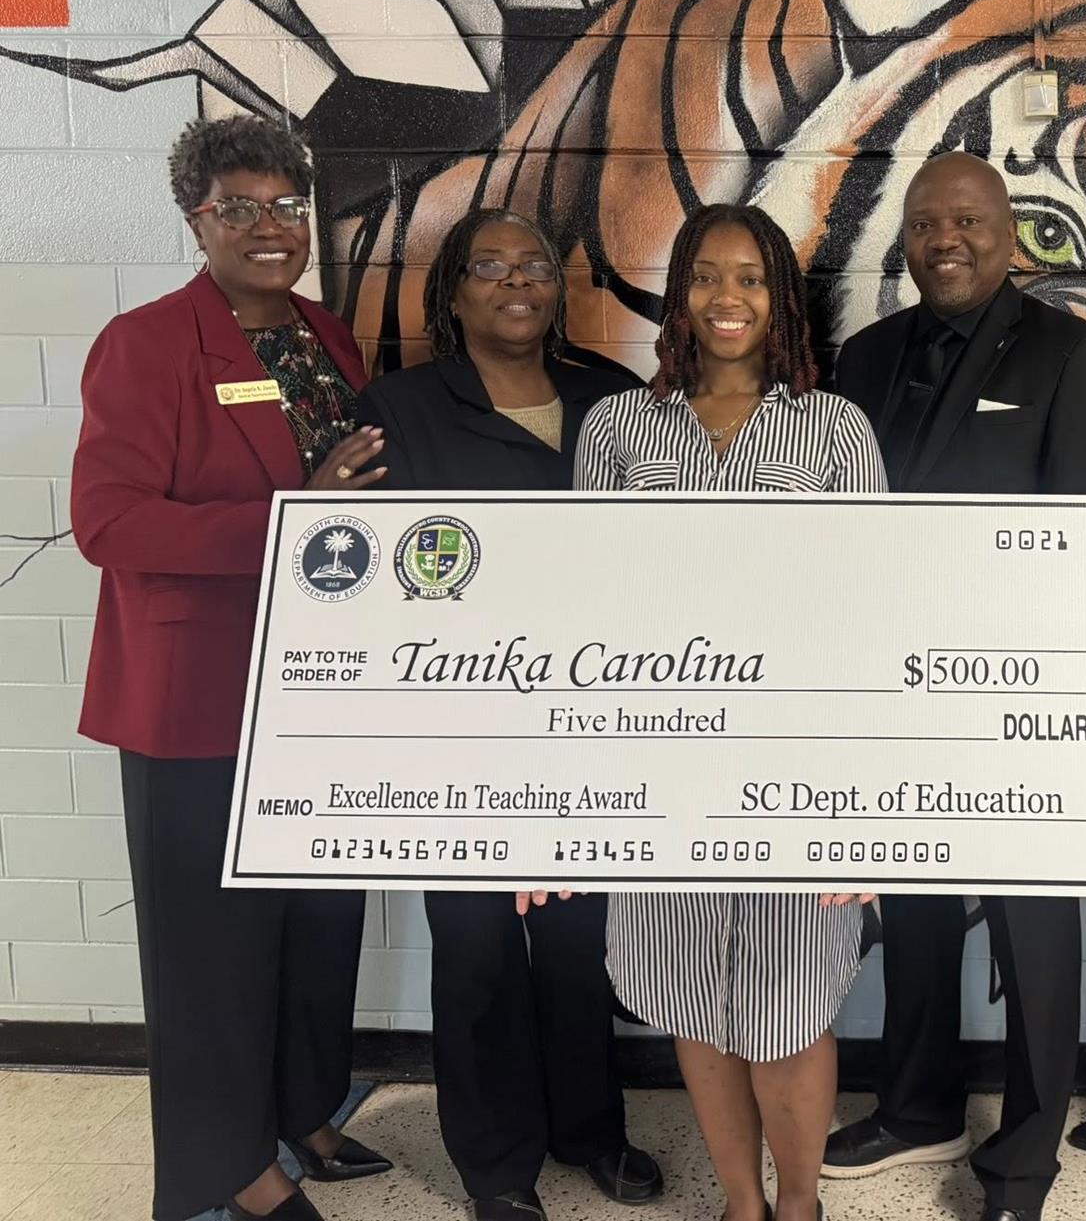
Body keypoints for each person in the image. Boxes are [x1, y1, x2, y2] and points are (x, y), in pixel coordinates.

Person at [71, 115, 392, 1221]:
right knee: (211, 954)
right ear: (194, 219)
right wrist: (287, 524)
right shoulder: (147, 343)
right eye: (238, 208)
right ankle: (231, 1169)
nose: (268, 227)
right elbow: (108, 525)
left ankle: (302, 1110)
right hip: (193, 705)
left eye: (285, 207)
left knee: (314, 919)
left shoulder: (326, 338)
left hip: (316, 692)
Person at [824, 151, 1086, 1221]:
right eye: (923, 223)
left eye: (966, 221)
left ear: (1008, 235)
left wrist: (1042, 705)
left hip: (1018, 700)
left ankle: (1025, 1158)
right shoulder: (861, 359)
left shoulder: (1074, 356)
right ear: (902, 238)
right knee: (908, 906)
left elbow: (1080, 546)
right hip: (890, 695)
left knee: (1032, 927)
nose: (944, 240)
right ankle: (916, 1105)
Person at [573, 203, 884, 1221]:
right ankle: (740, 1205)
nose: (727, 297)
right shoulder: (620, 427)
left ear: (781, 297)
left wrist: (859, 807)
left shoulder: (834, 429)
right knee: (693, 996)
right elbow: (575, 607)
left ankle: (798, 1204)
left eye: (751, 277)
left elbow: (874, 617)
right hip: (658, 765)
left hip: (794, 765)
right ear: (679, 294)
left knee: (789, 1004)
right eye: (706, 275)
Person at [352, 209, 661, 1221]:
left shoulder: (612, 399)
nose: (517, 282)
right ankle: (495, 1165)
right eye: (491, 267)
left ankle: (589, 1132)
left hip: (586, 720)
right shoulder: (400, 406)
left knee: (578, 941)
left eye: (535, 267)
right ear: (453, 291)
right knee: (478, 944)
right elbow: (362, 572)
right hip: (460, 728)